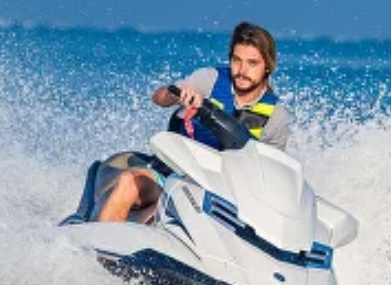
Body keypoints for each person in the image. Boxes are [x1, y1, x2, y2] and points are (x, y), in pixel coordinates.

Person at [97, 21, 292, 223]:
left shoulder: (276, 117)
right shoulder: (209, 80)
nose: (242, 70)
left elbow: (272, 178)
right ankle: (100, 241)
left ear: (268, 66)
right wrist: (176, 94)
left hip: (226, 200)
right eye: (237, 60)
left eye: (252, 63)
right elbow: (159, 97)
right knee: (128, 181)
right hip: (173, 178)